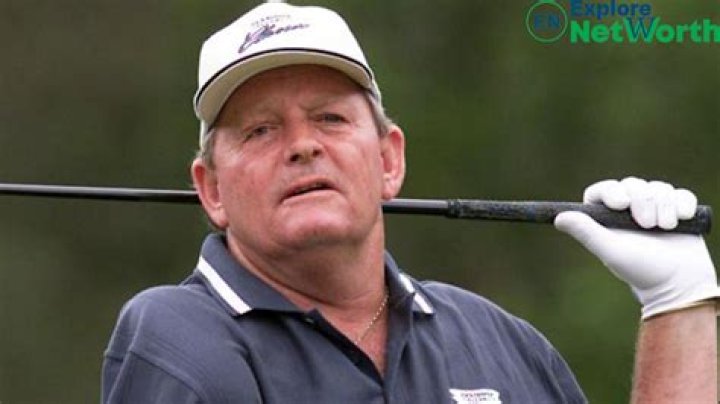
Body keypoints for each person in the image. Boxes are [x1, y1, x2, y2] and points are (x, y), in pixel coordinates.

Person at [102, 2, 719, 403]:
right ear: (211, 190)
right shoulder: (176, 336)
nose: (303, 146)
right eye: (260, 130)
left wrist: (677, 304)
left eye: (330, 118)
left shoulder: (498, 340)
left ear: (389, 160)